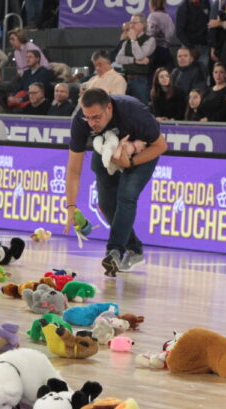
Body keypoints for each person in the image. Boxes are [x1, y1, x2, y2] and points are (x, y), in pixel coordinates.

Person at [65, 88, 168, 276]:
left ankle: (114, 252)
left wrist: (131, 162)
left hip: (142, 150)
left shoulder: (134, 113)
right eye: (88, 118)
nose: (92, 123)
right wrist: (71, 206)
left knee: (127, 196)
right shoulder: (81, 121)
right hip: (108, 149)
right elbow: (73, 170)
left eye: (96, 117)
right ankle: (134, 249)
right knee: (105, 203)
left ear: (109, 108)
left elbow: (161, 146)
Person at [115, 13, 156, 106]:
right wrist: (134, 61)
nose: (131, 25)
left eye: (134, 22)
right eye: (131, 22)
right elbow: (118, 59)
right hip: (126, 78)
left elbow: (139, 56)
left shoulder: (149, 40)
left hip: (140, 80)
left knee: (141, 107)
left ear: (143, 25)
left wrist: (134, 40)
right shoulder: (127, 42)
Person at [175, 0, 210, 72]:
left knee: (203, 74)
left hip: (204, 47)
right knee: (186, 74)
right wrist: (191, 48)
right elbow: (179, 31)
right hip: (188, 47)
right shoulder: (183, 7)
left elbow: (210, 25)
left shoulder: (206, 3)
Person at [147, 0, 175, 71]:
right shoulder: (168, 16)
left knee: (154, 77)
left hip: (155, 53)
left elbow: (150, 34)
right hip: (166, 51)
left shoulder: (153, 16)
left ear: (152, 4)